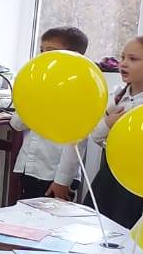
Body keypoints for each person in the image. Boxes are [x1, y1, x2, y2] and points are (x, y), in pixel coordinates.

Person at [10, 26, 90, 201]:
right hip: (30, 168)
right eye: (42, 51)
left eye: (51, 51)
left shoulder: (79, 91)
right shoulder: (39, 84)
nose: (43, 57)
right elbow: (16, 124)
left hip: (55, 176)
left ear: (74, 56)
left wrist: (62, 180)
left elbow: (76, 141)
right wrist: (33, 100)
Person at [85, 35, 143, 228]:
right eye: (123, 57)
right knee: (97, 225)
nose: (123, 63)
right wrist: (108, 123)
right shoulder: (115, 97)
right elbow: (96, 137)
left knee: (130, 230)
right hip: (109, 177)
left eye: (133, 59)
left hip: (141, 182)